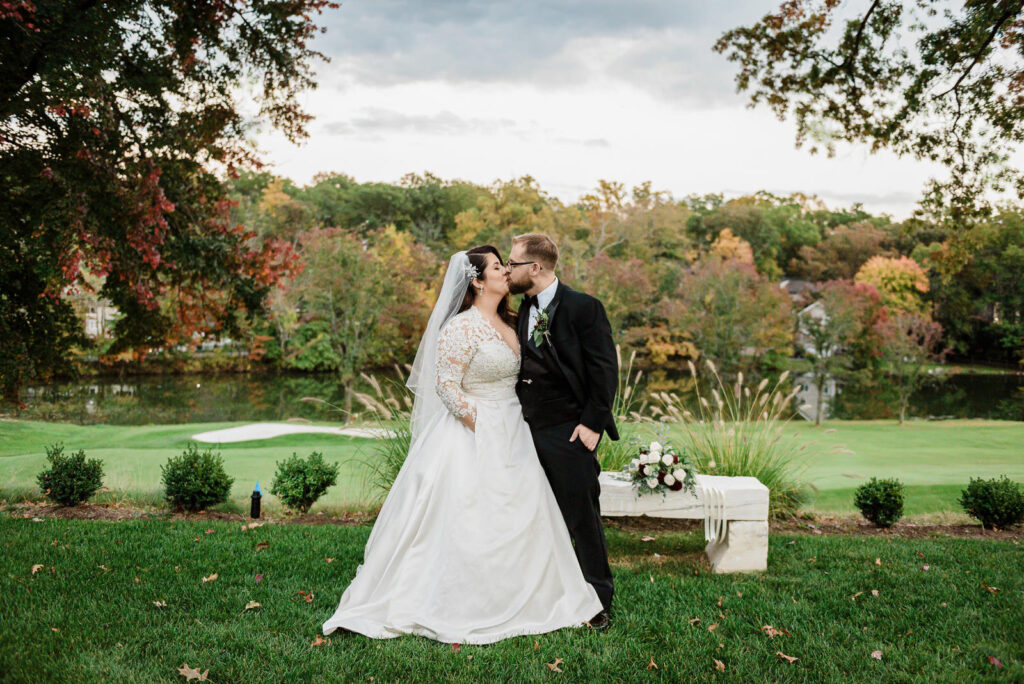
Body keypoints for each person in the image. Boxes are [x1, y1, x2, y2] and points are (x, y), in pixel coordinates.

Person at [322, 246, 604, 645]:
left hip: (517, 428)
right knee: (469, 515)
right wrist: (483, 427)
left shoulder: (515, 319)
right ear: (476, 280)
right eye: (496, 266)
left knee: (525, 512)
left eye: (507, 264)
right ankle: (459, 598)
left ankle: (530, 592)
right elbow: (447, 387)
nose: (506, 271)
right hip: (475, 431)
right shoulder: (460, 328)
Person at [506, 233, 618, 630]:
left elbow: (605, 371)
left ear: (535, 268)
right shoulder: (522, 308)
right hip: (522, 431)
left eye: (513, 262)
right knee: (531, 515)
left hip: (569, 431)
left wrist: (591, 424)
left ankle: (598, 600)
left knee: (581, 517)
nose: (507, 269)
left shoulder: (584, 307)